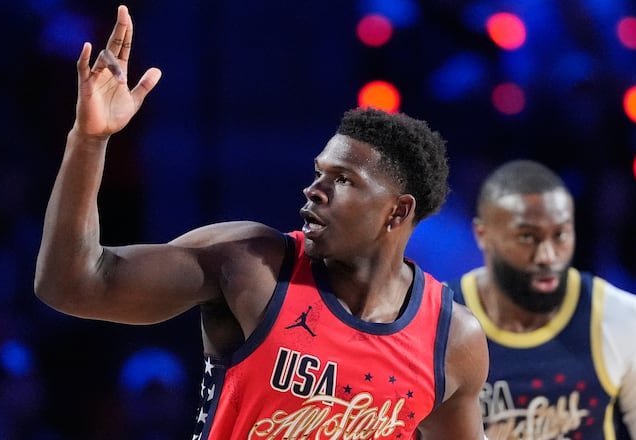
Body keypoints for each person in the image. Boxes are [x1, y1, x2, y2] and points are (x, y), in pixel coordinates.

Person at [33, 5, 489, 439]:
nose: (314, 190)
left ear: (399, 210)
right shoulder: (251, 263)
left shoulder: (453, 339)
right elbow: (70, 284)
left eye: (344, 180)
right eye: (318, 173)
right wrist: (89, 141)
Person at [447, 159, 636, 439]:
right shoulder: (437, 320)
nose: (547, 256)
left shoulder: (627, 321)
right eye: (527, 237)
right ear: (483, 235)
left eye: (560, 235)